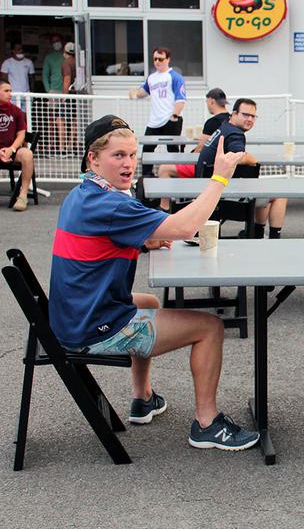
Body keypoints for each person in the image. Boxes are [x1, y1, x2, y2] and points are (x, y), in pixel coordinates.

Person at [49, 114, 259, 451]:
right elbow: (183, 228)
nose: (128, 163)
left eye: (132, 155)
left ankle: (142, 398)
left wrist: (144, 238)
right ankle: (207, 423)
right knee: (210, 328)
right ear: (93, 158)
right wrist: (220, 177)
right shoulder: (111, 204)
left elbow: (103, 237)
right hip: (94, 325)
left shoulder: (82, 194)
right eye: (118, 156)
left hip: (71, 315)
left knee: (149, 302)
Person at [196, 98, 288, 239]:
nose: (250, 119)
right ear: (234, 114)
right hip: (224, 199)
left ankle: (257, 233)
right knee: (280, 194)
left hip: (204, 191)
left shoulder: (223, 128)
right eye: (245, 115)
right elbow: (238, 156)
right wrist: (254, 161)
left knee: (265, 192)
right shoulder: (235, 134)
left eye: (253, 116)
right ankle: (273, 237)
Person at [156, 87, 231, 211]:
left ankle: (164, 207)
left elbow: (199, 150)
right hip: (221, 168)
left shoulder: (212, 122)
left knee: (164, 168)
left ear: (211, 101)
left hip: (206, 169)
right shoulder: (230, 120)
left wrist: (189, 154)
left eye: (207, 102)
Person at [130, 47, 186, 176]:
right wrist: (134, 93)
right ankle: (146, 178)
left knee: (172, 149)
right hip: (155, 120)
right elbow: (143, 91)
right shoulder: (152, 77)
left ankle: (175, 175)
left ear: (168, 59)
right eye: (155, 59)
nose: (157, 62)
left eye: (160, 59)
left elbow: (181, 99)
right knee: (147, 149)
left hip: (170, 118)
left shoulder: (175, 77)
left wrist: (174, 116)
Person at [0, 79, 34, 212]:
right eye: (6, 91)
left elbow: (21, 135)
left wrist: (11, 149)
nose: (10, 94)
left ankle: (23, 195)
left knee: (27, 154)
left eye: (10, 91)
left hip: (12, 149)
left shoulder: (16, 111)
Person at [42, 34, 66, 152]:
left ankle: (64, 146)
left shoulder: (66, 56)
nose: (56, 43)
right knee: (51, 118)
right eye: (54, 41)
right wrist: (48, 91)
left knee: (64, 118)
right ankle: (51, 144)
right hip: (53, 91)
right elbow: (45, 76)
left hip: (65, 91)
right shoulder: (49, 57)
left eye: (58, 40)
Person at [1, 44, 35, 113]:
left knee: (26, 116)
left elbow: (32, 78)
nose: (21, 51)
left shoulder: (29, 62)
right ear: (13, 51)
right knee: (13, 115)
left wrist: (32, 93)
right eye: (18, 49)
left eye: (22, 49)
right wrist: (7, 93)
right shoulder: (7, 63)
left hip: (26, 94)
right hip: (13, 95)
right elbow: (4, 81)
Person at [60, 42, 80, 153]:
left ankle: (62, 147)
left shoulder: (66, 63)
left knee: (60, 120)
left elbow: (67, 79)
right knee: (74, 120)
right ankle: (72, 145)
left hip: (69, 95)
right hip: (76, 94)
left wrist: (64, 95)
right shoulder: (78, 62)